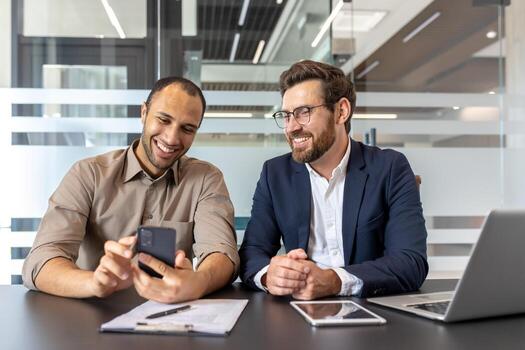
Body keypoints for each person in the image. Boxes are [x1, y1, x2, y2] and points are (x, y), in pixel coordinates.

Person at [22, 77, 239, 303]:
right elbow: (41, 260)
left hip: (170, 318)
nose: (172, 138)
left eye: (187, 128)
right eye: (164, 119)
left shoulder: (206, 179)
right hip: (91, 319)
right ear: (144, 113)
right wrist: (94, 282)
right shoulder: (88, 174)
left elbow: (222, 253)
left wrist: (199, 281)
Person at [239, 60, 428, 299]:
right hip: (297, 312)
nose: (291, 127)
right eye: (286, 116)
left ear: (341, 111)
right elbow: (252, 252)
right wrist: (270, 275)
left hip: (372, 310)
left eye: (303, 112)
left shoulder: (390, 168)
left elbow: (411, 262)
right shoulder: (275, 173)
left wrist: (334, 280)